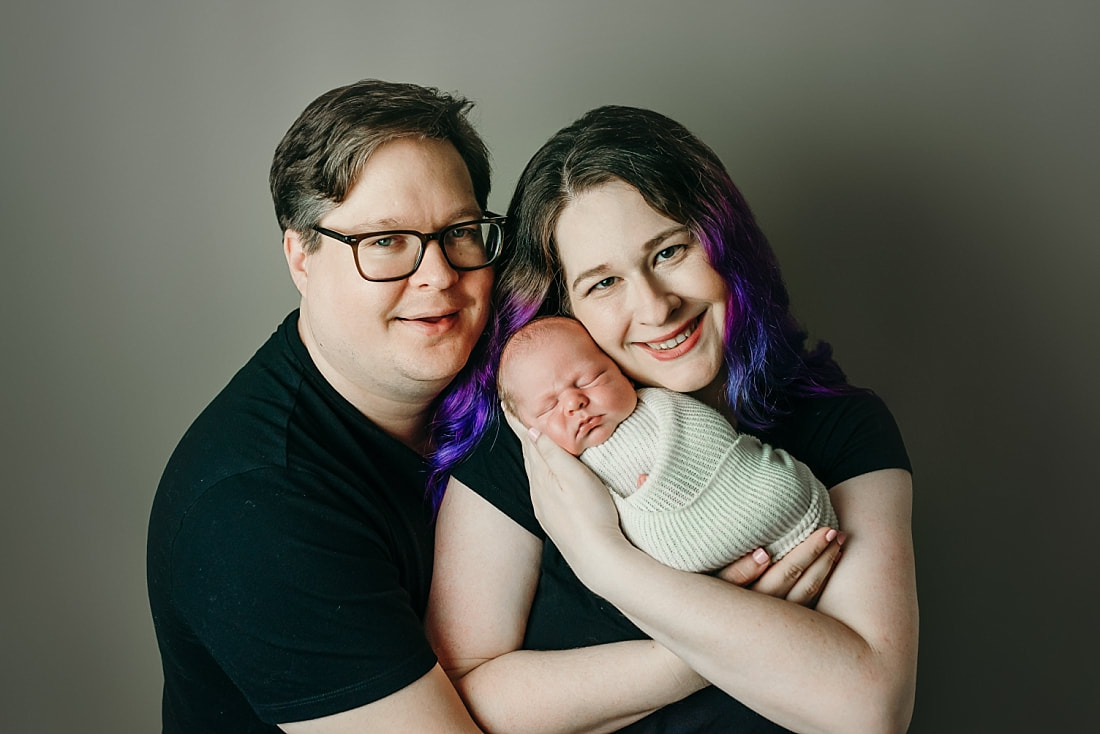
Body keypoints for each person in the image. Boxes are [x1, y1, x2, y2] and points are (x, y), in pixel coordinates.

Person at [426, 106, 918, 733]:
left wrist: (607, 564)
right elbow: (463, 704)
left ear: (723, 241)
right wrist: (713, 646)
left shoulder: (843, 428)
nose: (656, 306)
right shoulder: (528, 436)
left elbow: (868, 711)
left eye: (670, 250)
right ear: (563, 305)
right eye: (602, 283)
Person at [146, 79, 500, 732]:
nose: (440, 275)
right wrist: (699, 651)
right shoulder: (255, 507)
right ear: (300, 256)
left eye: (460, 231)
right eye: (386, 241)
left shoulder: (523, 376)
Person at [497, 315, 838, 572]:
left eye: (590, 379)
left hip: (765, 496)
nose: (574, 403)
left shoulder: (661, 405)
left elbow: (710, 437)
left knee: (781, 491)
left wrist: (677, 476)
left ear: (623, 372)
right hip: (690, 555)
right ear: (529, 432)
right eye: (548, 406)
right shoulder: (565, 475)